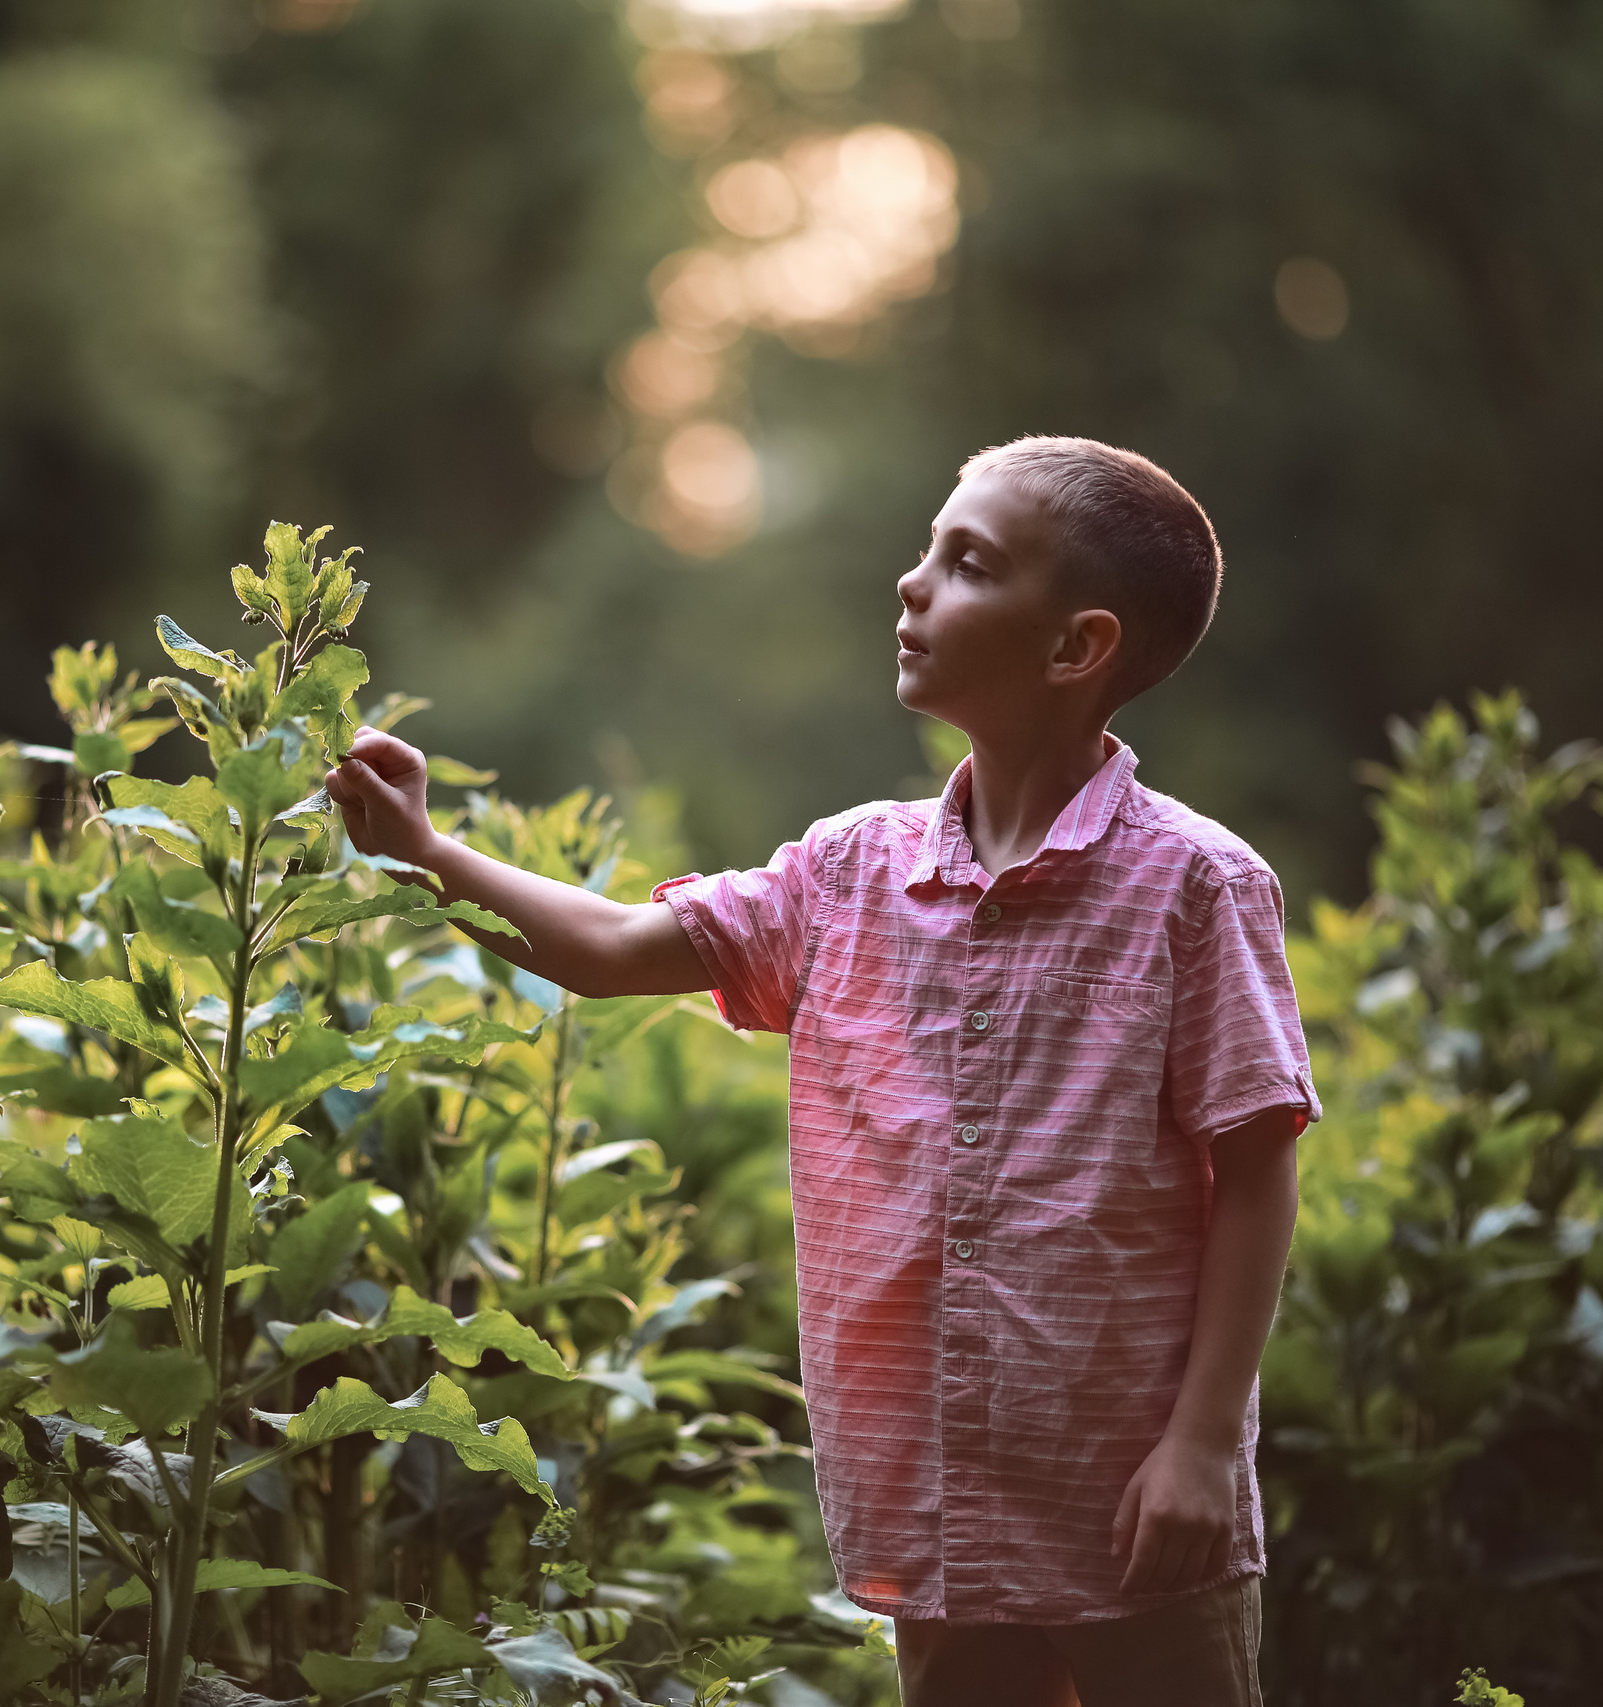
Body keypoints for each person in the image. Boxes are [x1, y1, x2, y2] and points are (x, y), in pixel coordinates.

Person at [324, 436, 1318, 1707]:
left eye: (966, 565)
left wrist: (1197, 1445)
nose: (912, 585)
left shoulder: (1196, 886)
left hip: (1131, 1500)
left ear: (1077, 648)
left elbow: (1255, 1170)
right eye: (926, 550)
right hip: (937, 1501)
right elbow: (614, 948)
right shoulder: (847, 873)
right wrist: (420, 850)